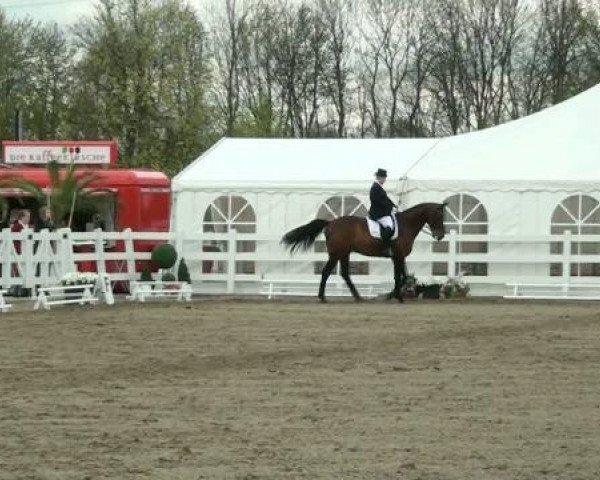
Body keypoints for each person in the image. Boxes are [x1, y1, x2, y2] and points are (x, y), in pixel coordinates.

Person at [368, 168, 397, 256]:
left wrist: (393, 205)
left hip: (382, 212)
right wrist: (389, 208)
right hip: (377, 213)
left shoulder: (379, 187)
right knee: (390, 226)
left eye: (384, 178)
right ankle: (384, 248)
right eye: (383, 178)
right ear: (378, 177)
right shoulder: (375, 188)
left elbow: (386, 199)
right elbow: (378, 201)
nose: (384, 180)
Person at [10, 209, 31, 297]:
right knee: (18, 272)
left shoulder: (26, 226)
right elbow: (14, 241)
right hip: (18, 252)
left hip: (26, 253)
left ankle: (23, 291)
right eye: (27, 216)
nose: (29, 218)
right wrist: (17, 252)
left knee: (25, 272)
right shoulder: (17, 226)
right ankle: (16, 291)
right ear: (22, 217)